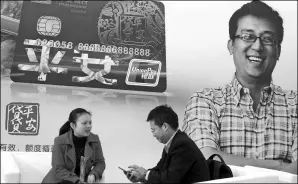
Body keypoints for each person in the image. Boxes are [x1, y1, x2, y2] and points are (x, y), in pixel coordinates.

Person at [182, 0, 297, 175]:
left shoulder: (295, 104)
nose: (257, 46)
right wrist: (281, 166)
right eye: (247, 36)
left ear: (278, 51)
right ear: (231, 46)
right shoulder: (205, 102)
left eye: (267, 39)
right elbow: (204, 160)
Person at [125, 105, 210, 184]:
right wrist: (140, 176)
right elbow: (159, 170)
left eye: (153, 130)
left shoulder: (182, 144)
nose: (153, 135)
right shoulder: (173, 143)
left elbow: (170, 179)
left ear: (165, 126)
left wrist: (145, 174)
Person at [42, 108, 106, 183]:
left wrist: (93, 174)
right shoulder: (59, 141)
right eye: (84, 123)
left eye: (90, 122)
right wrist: (76, 181)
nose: (89, 126)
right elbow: (58, 168)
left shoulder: (95, 139)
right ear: (73, 125)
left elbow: (100, 162)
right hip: (61, 180)